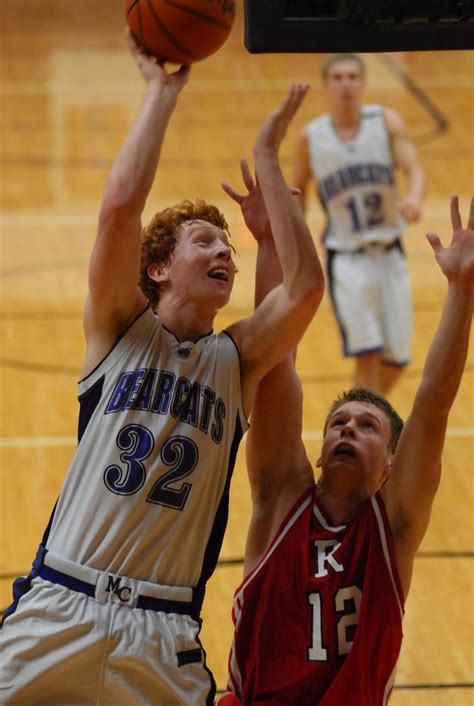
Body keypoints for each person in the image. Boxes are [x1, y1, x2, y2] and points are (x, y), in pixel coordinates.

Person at [0, 32, 324, 706]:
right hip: (61, 600)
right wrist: (162, 92)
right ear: (157, 268)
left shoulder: (236, 361)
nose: (224, 251)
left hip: (163, 626)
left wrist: (270, 183)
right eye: (204, 241)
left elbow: (303, 292)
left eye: (229, 246)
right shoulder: (119, 330)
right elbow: (120, 207)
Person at [216, 195, 473, 705]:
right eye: (338, 424)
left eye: (367, 426)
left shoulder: (393, 527)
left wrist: (462, 290)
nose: (347, 430)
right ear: (316, 452)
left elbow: (433, 405)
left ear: (391, 467)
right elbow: (273, 366)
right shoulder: (280, 499)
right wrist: (270, 243)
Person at [293, 53, 426, 394]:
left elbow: (413, 168)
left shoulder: (385, 121)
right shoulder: (311, 137)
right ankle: (367, 431)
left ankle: (364, 418)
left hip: (390, 253)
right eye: (337, 77)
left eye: (352, 76)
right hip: (347, 257)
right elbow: (298, 194)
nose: (346, 84)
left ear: (364, 83)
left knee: (397, 360)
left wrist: (413, 196)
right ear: (326, 86)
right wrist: (294, 243)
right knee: (368, 353)